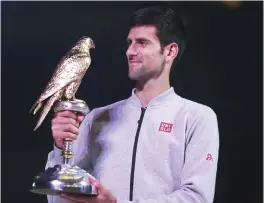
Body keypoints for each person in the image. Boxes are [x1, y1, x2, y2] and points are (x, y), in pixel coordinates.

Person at [46, 6, 219, 203]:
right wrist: (61, 149)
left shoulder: (196, 117)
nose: (130, 51)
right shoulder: (97, 117)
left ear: (170, 51)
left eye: (142, 43)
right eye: (129, 43)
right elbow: (58, 200)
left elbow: (197, 198)